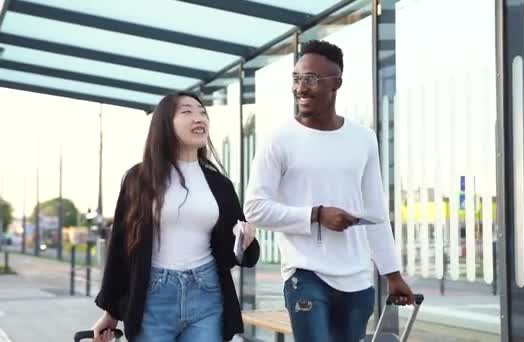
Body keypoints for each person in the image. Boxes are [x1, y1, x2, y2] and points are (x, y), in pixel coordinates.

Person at [243, 40, 415, 342]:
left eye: (310, 79)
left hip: (357, 280)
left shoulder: (363, 139)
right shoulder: (279, 139)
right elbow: (254, 207)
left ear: (336, 83)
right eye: (296, 78)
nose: (300, 88)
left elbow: (375, 213)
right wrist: (316, 215)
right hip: (304, 273)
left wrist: (393, 274)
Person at [91, 92, 260, 342]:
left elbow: (232, 253)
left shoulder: (220, 184)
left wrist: (245, 244)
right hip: (153, 298)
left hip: (207, 294)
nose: (198, 117)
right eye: (187, 111)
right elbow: (120, 247)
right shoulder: (138, 179)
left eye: (202, 112)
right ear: (165, 124)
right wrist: (112, 312)